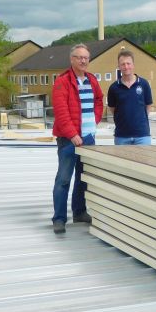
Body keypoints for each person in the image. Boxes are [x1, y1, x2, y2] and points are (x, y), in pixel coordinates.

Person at [50, 43, 104, 234]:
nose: (83, 61)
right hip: (69, 140)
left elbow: (99, 100)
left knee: (83, 178)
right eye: (79, 57)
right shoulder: (63, 81)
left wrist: (94, 120)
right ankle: (59, 218)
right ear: (71, 59)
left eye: (86, 58)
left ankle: (79, 212)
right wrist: (73, 134)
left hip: (88, 139)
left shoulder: (92, 80)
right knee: (64, 179)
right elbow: (61, 112)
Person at [107, 50, 153, 145]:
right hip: (121, 137)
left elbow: (148, 106)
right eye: (123, 64)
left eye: (128, 63)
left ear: (133, 65)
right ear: (119, 66)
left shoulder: (144, 84)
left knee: (143, 160)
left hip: (142, 136)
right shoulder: (113, 88)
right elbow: (112, 109)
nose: (126, 66)